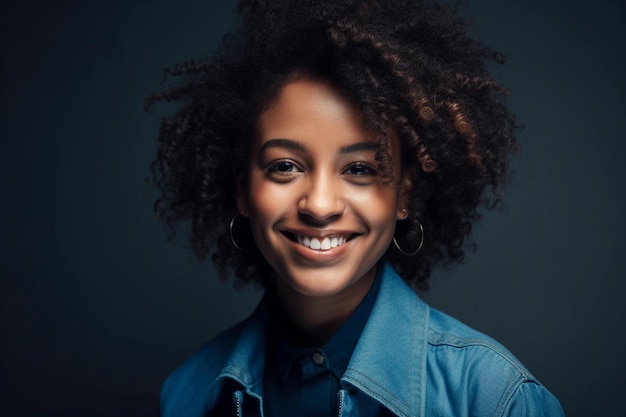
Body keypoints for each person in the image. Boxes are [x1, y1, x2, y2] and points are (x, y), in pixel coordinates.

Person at [147, 0, 565, 415]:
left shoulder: (494, 399)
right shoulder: (189, 394)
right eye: (286, 166)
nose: (320, 205)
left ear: (404, 194)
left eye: (361, 168)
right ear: (243, 190)